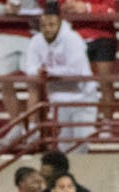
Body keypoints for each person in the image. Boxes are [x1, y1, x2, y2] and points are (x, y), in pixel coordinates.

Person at [24, 3, 99, 153]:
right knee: (65, 144)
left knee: (81, 140)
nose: (47, 29)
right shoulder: (37, 41)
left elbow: (76, 71)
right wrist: (40, 71)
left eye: (51, 24)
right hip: (59, 99)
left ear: (59, 22)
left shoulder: (73, 39)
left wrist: (49, 72)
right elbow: (29, 68)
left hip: (82, 97)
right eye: (44, 25)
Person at [58, 0, 117, 135]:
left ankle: (106, 125)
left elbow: (111, 11)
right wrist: (68, 7)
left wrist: (87, 8)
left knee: (105, 83)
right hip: (76, 37)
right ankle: (83, 123)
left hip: (104, 36)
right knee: (78, 84)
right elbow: (61, 8)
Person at [0, 0, 43, 144]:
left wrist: (28, 11)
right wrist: (6, 9)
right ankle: (16, 126)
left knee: (33, 82)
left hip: (30, 33)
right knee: (5, 81)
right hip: (5, 33)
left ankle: (33, 128)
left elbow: (46, 6)